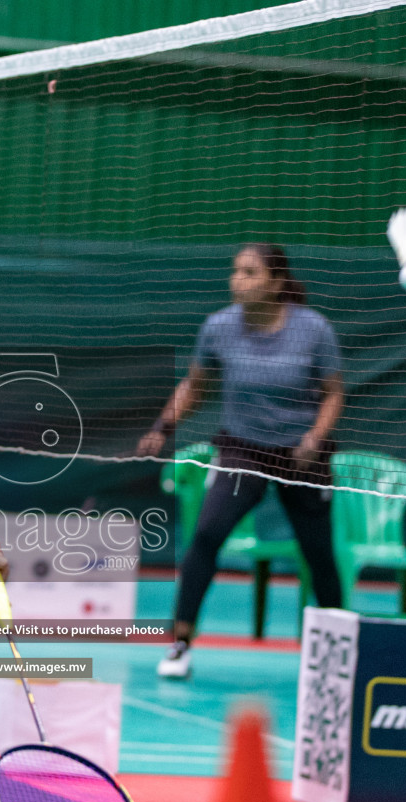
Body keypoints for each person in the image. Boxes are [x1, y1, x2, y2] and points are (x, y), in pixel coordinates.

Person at [138, 244, 345, 679]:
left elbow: (333, 393)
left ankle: (340, 651)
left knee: (319, 553)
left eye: (250, 273)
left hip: (301, 455)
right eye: (236, 272)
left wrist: (315, 437)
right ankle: (179, 643)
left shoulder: (314, 329)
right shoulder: (218, 328)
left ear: (275, 282)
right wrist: (162, 426)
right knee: (207, 535)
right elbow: (194, 386)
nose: (238, 280)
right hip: (243, 449)